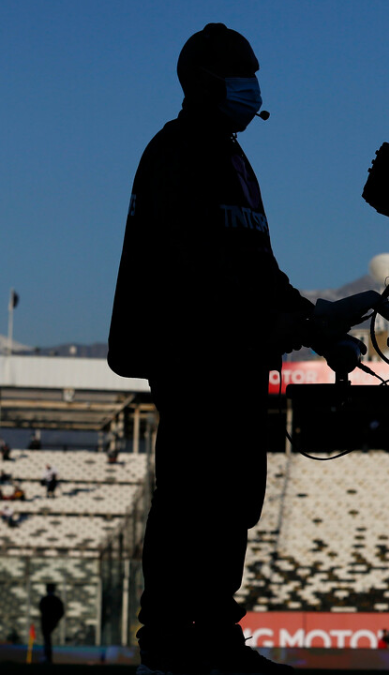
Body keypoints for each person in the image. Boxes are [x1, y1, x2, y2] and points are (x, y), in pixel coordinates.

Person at [108, 24, 323, 675]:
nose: (253, 85)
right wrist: (272, 323)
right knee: (194, 497)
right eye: (242, 71)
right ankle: (174, 639)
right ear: (204, 79)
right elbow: (193, 273)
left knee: (230, 496)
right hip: (194, 359)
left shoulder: (234, 159)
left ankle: (212, 633)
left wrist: (314, 321)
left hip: (236, 360)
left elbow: (259, 264)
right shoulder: (177, 152)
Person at [39, 584, 64, 664]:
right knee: (47, 639)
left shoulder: (45, 599)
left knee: (47, 639)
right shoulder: (56, 600)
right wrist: (56, 620)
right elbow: (61, 612)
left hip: (46, 622)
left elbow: (41, 609)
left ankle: (48, 657)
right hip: (52, 622)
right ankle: (48, 657)